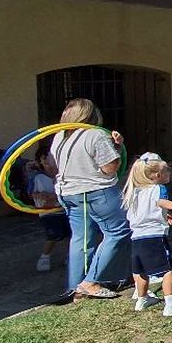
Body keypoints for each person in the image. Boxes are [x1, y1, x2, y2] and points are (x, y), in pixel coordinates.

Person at [50, 98, 129, 299]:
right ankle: (91, 282)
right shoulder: (96, 135)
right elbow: (109, 168)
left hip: (68, 193)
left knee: (81, 238)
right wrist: (117, 148)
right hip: (96, 192)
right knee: (118, 231)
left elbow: (53, 166)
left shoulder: (60, 136)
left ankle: (76, 287)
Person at [122, 152, 172, 317]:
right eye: (167, 171)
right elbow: (160, 202)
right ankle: (171, 304)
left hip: (136, 237)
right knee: (168, 268)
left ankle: (142, 299)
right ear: (157, 175)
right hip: (154, 236)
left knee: (140, 270)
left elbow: (146, 210)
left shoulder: (134, 191)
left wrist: (166, 213)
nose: (169, 173)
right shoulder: (159, 188)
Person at [26, 152, 69, 273]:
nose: (48, 162)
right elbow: (30, 193)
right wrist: (42, 196)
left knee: (69, 233)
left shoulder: (62, 174)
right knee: (54, 234)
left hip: (63, 209)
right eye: (44, 159)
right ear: (40, 162)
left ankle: (69, 255)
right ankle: (44, 257)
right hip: (48, 212)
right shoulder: (37, 177)